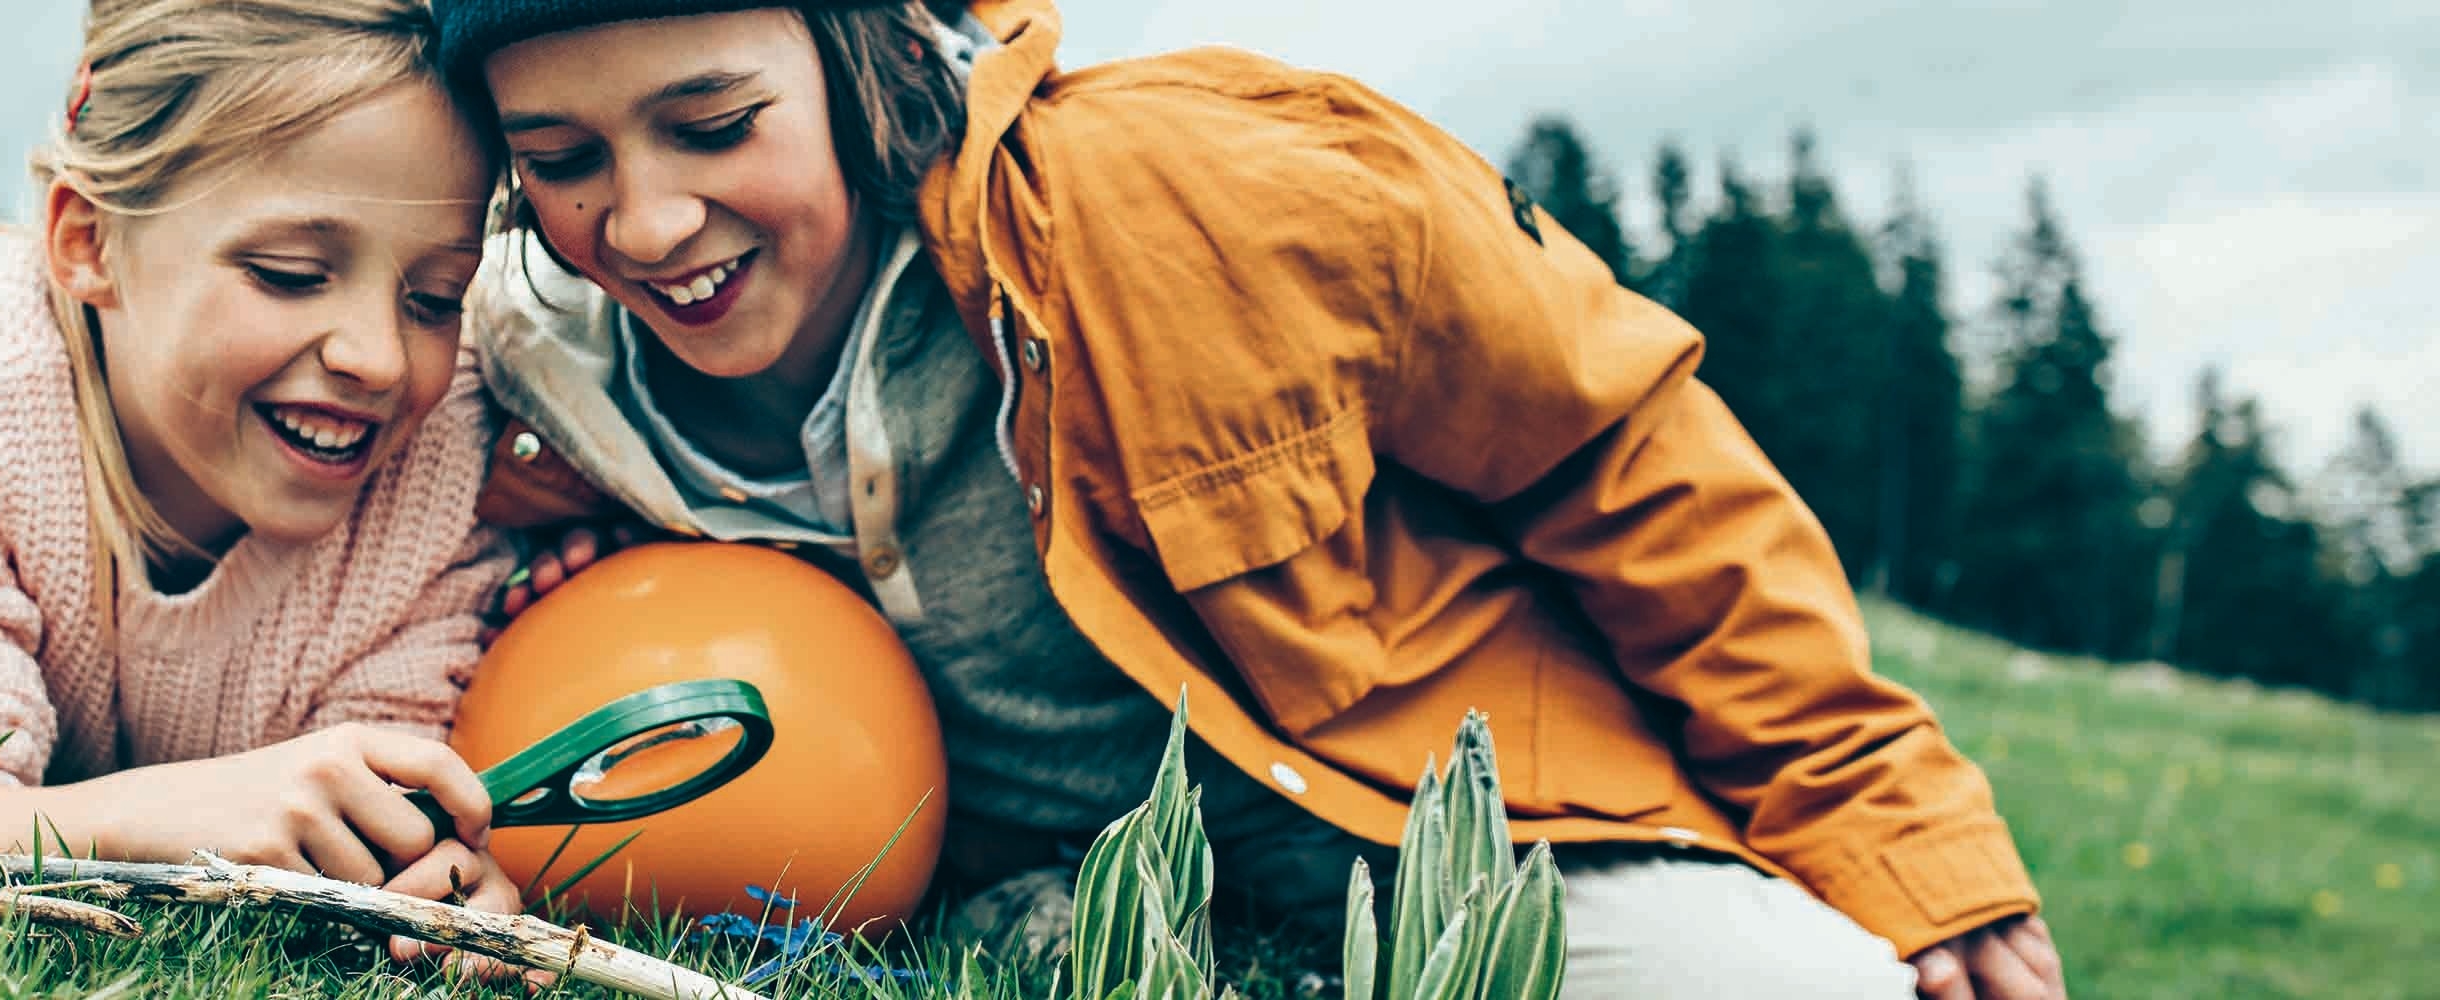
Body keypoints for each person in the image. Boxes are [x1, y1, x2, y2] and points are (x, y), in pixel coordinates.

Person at [436, 0, 2068, 996]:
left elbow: (1623, 455)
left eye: (712, 124)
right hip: (1049, 917)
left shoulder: (1215, 188)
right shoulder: (532, 378)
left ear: (859, 52)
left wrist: (1888, 819)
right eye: (561, 162)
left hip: (1459, 836)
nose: (642, 223)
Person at [0, 0, 524, 971]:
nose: (378, 357)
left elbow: (366, 822)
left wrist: (420, 873)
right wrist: (181, 809)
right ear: (89, 240)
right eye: (289, 274)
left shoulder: (445, 446)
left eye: (435, 298)